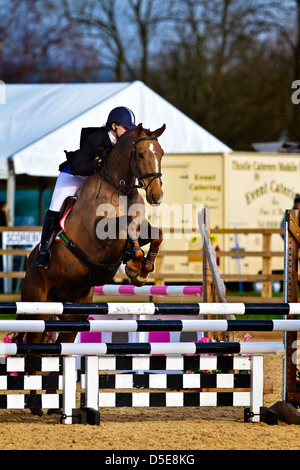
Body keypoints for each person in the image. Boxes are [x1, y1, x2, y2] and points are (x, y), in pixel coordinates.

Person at [35, 106, 137, 269]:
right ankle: (43, 251)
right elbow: (77, 167)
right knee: (55, 207)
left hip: (95, 179)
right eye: (126, 128)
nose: (128, 133)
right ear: (114, 126)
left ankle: (129, 246)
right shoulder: (95, 139)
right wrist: (98, 164)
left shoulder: (121, 145)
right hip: (74, 177)